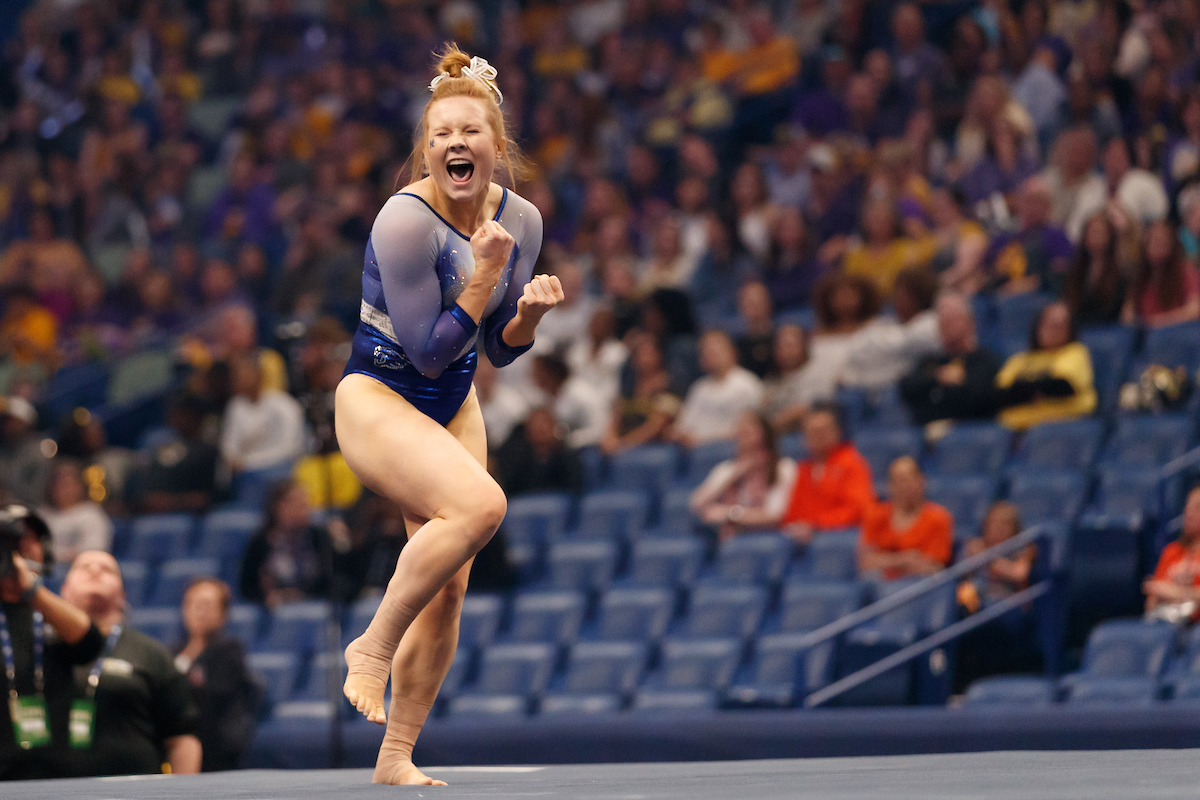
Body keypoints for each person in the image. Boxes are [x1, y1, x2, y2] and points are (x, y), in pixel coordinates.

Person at [333, 47, 561, 786]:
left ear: (497, 146)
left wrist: (524, 315)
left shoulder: (520, 218)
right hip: (380, 395)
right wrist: (489, 275)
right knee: (483, 505)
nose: (456, 144)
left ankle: (396, 755)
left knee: (453, 580)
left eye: (471, 131)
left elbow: (494, 350)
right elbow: (427, 354)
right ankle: (370, 646)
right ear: (426, 149)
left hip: (453, 400)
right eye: (441, 135)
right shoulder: (405, 222)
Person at [59, 551, 201, 777]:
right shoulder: (42, 649)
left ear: (122, 595)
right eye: (84, 567)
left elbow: (182, 736)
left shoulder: (152, 653)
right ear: (64, 590)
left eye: (107, 570)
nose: (95, 571)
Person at [0, 507, 103, 780]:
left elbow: (90, 643)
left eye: (30, 539)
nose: (21, 549)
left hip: (56, 776)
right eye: (11, 541)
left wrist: (32, 590)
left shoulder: (52, 614)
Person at [173, 577, 257, 772]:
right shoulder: (172, 652)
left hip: (216, 751)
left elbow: (213, 694)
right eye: (192, 604)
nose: (199, 611)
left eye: (207, 605)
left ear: (223, 614)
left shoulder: (230, 651)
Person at [689, 412, 797, 541]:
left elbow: (775, 514)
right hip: (732, 541)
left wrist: (729, 513)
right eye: (740, 427)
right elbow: (697, 504)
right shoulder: (727, 469)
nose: (744, 429)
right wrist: (735, 473)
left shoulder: (783, 467)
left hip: (770, 540)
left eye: (751, 425)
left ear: (765, 433)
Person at [900, 294, 1003, 425]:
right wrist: (938, 378)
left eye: (951, 320)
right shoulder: (932, 362)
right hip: (928, 435)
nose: (945, 326)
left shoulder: (986, 361)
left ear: (971, 323)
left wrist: (941, 392)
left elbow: (978, 398)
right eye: (942, 321)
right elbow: (907, 389)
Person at [779, 403, 875, 544]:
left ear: (836, 432)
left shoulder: (852, 463)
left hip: (841, 540)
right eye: (811, 431)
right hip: (806, 541)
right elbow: (794, 513)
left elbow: (859, 510)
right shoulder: (803, 469)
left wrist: (817, 525)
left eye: (822, 431)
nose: (816, 436)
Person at [995, 302, 1097, 430]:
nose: (1051, 329)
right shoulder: (1019, 360)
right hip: (1014, 431)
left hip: (1060, 429)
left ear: (1070, 329)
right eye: (1046, 323)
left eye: (1059, 325)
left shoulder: (1075, 353)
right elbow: (1000, 395)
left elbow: (1062, 386)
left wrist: (1024, 390)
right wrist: (1036, 390)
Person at [238, 480, 337, 607]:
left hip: (313, 605)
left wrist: (303, 594)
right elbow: (247, 587)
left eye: (306, 504)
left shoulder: (319, 537)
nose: (305, 510)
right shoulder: (260, 541)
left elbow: (331, 580)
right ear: (279, 506)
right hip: (273, 610)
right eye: (298, 504)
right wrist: (266, 595)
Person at [858, 457, 952, 580]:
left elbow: (934, 566)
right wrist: (902, 560)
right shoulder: (875, 515)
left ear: (921, 480)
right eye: (898, 481)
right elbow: (866, 563)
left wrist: (884, 561)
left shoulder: (938, 518)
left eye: (909, 480)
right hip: (881, 586)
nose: (904, 486)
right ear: (890, 485)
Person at [671, 330, 764, 448]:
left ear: (732, 352)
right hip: (696, 453)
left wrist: (702, 441)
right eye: (707, 351)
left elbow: (749, 430)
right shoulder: (699, 388)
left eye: (716, 350)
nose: (711, 355)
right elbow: (681, 428)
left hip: (731, 449)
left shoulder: (747, 384)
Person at [219, 354, 306, 474]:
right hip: (246, 474)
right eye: (235, 375)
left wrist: (249, 463)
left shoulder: (283, 404)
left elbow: (289, 447)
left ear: (259, 374)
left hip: (282, 470)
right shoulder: (236, 406)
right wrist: (237, 462)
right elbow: (229, 448)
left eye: (245, 373)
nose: (239, 378)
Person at [138, 393, 221, 514]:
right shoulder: (162, 449)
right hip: (155, 514)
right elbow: (146, 496)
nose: (178, 418)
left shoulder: (208, 451)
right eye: (176, 413)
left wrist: (173, 502)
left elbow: (207, 498)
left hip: (190, 515)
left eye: (184, 414)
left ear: (197, 417)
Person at [600, 335, 681, 455]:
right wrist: (609, 439)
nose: (644, 359)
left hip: (652, 449)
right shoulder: (628, 390)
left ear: (659, 356)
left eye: (648, 354)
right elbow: (614, 418)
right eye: (640, 355)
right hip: (622, 446)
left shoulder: (669, 387)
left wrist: (622, 444)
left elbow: (655, 426)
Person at [1121, 220, 1200, 328]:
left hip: (1178, 334)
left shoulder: (1186, 271)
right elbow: (1127, 315)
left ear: (1171, 245)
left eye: (1160, 241)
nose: (1155, 246)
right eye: (1151, 241)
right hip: (1147, 337)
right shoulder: (1140, 276)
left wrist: (1159, 322)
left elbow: (1194, 310)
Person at [493, 407, 585, 497]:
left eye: (544, 424)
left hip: (560, 503)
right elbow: (508, 486)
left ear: (554, 427)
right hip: (524, 503)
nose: (540, 429)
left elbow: (575, 486)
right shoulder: (517, 458)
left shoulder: (566, 456)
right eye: (535, 425)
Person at [959, 501, 1035, 609]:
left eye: (1004, 524)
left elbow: (1020, 574)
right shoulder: (976, 545)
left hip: (1007, 601)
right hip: (977, 594)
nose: (998, 528)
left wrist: (987, 558)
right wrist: (970, 557)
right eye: (993, 523)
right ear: (985, 525)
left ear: (1014, 527)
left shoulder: (1022, 547)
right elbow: (961, 575)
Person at [38, 459, 114, 564]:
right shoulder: (41, 515)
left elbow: (94, 552)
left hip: (79, 571)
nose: (64, 489)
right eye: (59, 483)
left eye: (69, 484)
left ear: (80, 486)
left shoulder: (91, 514)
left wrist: (56, 557)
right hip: (42, 572)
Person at [1062, 211, 1131, 327]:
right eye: (1091, 232)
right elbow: (1069, 304)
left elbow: (1116, 311)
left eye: (1099, 232)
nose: (1095, 237)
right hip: (1078, 328)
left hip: (1107, 329)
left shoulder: (1122, 273)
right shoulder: (1074, 270)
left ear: (1110, 237)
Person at [1144, 487, 1200, 619]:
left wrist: (1173, 593)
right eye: (1188, 506)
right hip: (1166, 624)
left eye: (1197, 507)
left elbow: (1162, 590)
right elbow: (1150, 604)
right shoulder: (1171, 551)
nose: (1189, 512)